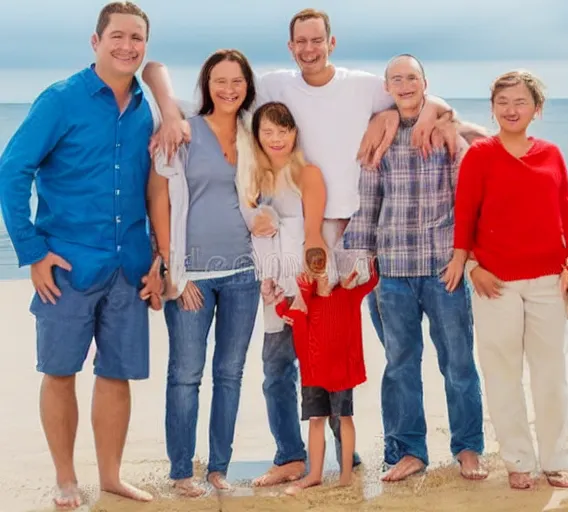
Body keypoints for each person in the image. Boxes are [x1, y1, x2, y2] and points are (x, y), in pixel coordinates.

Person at [143, 8, 467, 487]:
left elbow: (414, 93)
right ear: (290, 46)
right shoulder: (274, 85)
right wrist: (170, 110)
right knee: (279, 357)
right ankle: (292, 455)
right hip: (285, 239)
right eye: (301, 42)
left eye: (318, 40)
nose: (310, 49)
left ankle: (360, 454)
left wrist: (442, 114)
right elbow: (171, 78)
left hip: (355, 236)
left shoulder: (361, 85)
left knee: (356, 350)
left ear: (331, 42)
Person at [0, 2, 161, 509]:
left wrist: (159, 257)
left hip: (129, 264)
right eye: (117, 36)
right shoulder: (60, 100)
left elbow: (156, 186)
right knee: (61, 370)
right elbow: (12, 170)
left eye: (136, 38)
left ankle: (111, 476)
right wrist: (32, 252)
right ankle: (67, 479)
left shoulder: (147, 107)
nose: (127, 46)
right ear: (96, 41)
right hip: (66, 266)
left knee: (117, 375)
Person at [344, 55, 486, 483]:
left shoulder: (446, 131)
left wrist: (464, 256)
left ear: (425, 83)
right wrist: (359, 258)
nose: (404, 85)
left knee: (458, 363)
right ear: (387, 87)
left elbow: (468, 201)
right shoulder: (380, 133)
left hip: (444, 269)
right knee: (399, 365)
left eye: (411, 78)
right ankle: (408, 451)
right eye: (396, 79)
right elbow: (368, 201)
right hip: (392, 272)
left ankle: (468, 448)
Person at [453, 70, 568, 490]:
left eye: (520, 102)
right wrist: (472, 266)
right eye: (503, 102)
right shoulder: (479, 155)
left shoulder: (552, 153)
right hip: (495, 283)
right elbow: (465, 214)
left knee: (551, 375)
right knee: (501, 373)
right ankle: (517, 460)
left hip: (549, 280)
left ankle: (556, 459)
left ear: (537, 109)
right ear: (492, 107)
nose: (511, 110)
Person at [146, 49, 261, 496]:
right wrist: (177, 270)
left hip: (244, 274)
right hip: (192, 274)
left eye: (237, 81)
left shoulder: (255, 133)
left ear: (248, 86)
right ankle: (180, 471)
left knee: (230, 374)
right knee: (186, 374)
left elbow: (267, 193)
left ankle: (218, 468)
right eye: (220, 81)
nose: (229, 89)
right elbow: (159, 196)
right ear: (206, 85)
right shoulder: (184, 129)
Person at [275, 259, 379, 495]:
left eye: (326, 272)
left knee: (344, 418)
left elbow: (372, 279)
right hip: (313, 374)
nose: (323, 277)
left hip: (342, 372)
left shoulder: (348, 294)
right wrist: (281, 296)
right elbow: (284, 311)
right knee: (315, 420)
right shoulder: (306, 303)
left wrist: (366, 262)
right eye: (317, 273)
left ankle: (345, 476)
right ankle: (314, 475)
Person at [245, 101, 327, 335]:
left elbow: (313, 236)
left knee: (312, 357)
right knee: (274, 361)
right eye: (268, 132)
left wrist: (306, 292)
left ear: (294, 133)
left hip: (301, 281)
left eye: (283, 131)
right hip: (269, 285)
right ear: (257, 136)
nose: (276, 139)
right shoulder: (253, 178)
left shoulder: (308, 174)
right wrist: (266, 279)